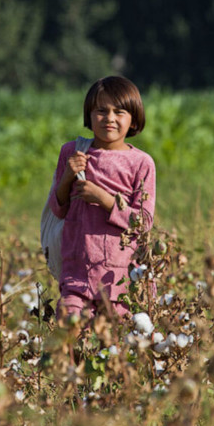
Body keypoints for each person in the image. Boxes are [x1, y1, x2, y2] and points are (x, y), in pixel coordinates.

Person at [47, 76, 156, 319]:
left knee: (115, 347)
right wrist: (68, 177)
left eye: (119, 112)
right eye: (101, 111)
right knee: (69, 333)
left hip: (119, 278)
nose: (109, 118)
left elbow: (144, 222)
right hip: (76, 272)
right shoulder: (72, 152)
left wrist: (105, 199)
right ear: (89, 114)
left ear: (134, 119)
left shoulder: (141, 163)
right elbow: (58, 208)